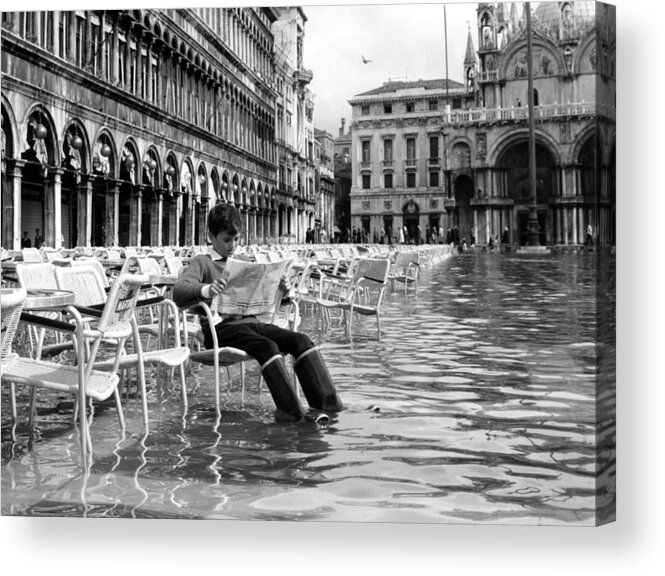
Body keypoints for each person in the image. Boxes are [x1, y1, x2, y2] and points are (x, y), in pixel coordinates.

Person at [173, 203, 343, 422]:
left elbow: (264, 301)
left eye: (236, 240)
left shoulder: (242, 263)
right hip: (219, 330)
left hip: (251, 323)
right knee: (267, 347)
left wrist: (281, 288)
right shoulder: (202, 262)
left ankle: (329, 406)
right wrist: (207, 289)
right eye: (226, 240)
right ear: (211, 237)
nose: (232, 245)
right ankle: (295, 415)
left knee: (301, 340)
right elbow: (178, 292)